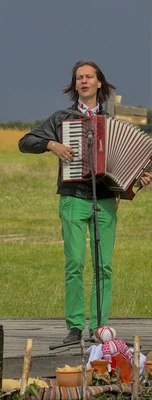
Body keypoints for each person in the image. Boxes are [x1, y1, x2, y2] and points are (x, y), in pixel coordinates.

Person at [18, 60, 152, 343]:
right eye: (79, 77)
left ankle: (101, 327)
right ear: (75, 84)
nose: (84, 81)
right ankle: (75, 326)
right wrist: (52, 144)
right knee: (75, 263)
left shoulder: (112, 123)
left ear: (99, 82)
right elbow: (25, 142)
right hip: (73, 199)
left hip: (105, 200)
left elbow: (130, 169)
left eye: (89, 76)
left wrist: (140, 179)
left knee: (104, 266)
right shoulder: (62, 118)